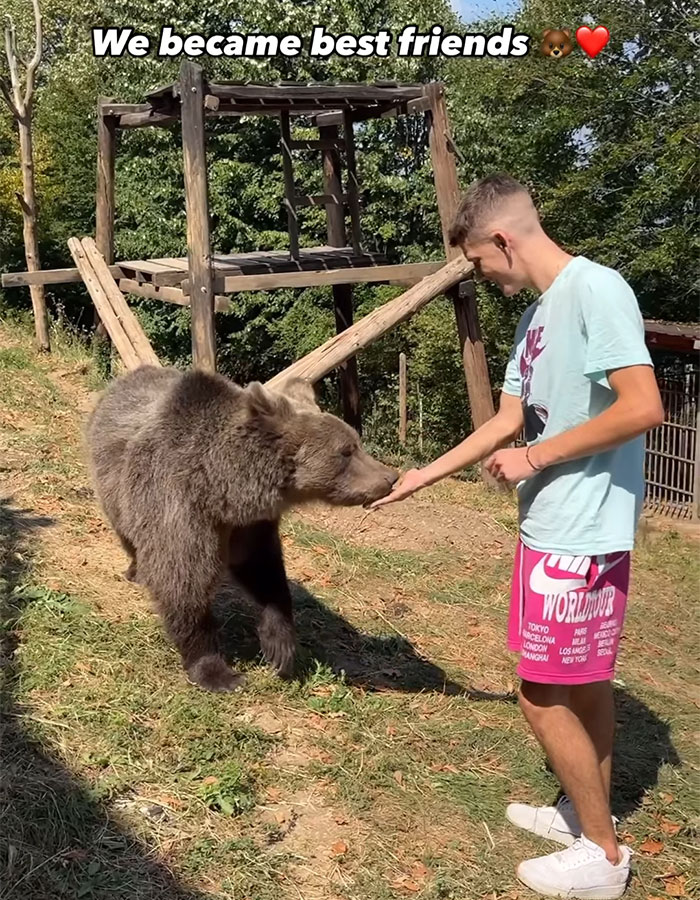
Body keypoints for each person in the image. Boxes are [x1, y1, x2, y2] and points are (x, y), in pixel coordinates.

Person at [370, 174, 663, 899]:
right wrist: (420, 478)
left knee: (539, 693)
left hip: (581, 531)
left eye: (477, 261)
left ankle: (602, 855)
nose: (482, 275)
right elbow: (505, 421)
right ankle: (579, 816)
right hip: (550, 527)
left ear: (501, 239)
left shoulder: (597, 291)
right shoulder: (536, 319)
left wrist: (537, 457)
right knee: (582, 681)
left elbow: (643, 406)